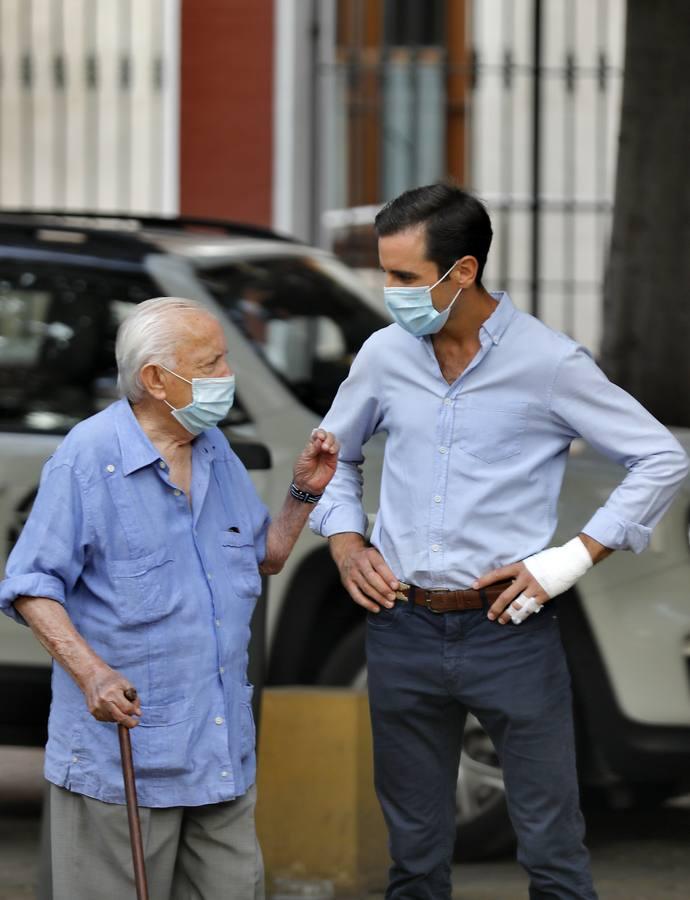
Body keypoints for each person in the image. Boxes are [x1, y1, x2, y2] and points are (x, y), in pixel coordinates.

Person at [309, 183, 689, 900]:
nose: (389, 294)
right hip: (400, 628)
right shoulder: (386, 355)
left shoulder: (549, 362)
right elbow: (334, 457)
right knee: (414, 860)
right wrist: (346, 541)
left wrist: (568, 561)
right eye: (384, 274)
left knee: (552, 852)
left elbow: (662, 457)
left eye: (404, 278)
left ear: (463, 273)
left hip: (507, 627)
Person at [0, 296, 339, 900]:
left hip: (217, 751)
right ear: (156, 379)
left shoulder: (214, 450)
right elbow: (31, 586)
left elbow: (264, 557)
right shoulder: (89, 457)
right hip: (125, 757)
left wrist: (302, 494)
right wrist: (92, 674)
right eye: (210, 364)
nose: (227, 378)